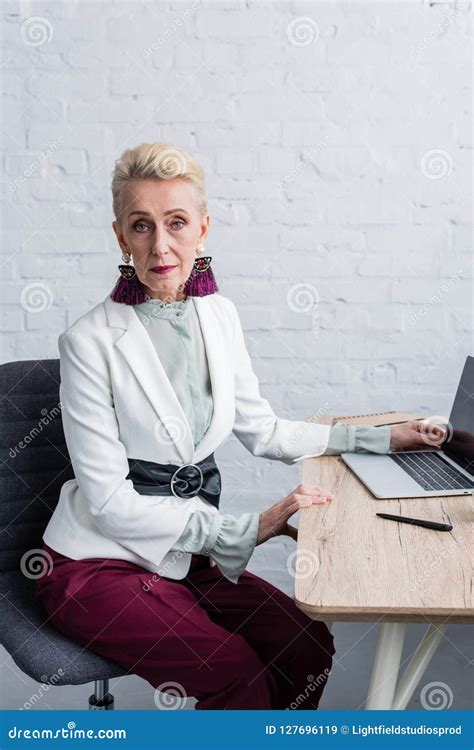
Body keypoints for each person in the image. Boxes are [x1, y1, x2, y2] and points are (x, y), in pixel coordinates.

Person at [35, 142, 446, 710]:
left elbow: (264, 430)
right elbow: (106, 502)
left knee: (304, 646)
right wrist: (245, 530)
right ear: (120, 237)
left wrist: (379, 438)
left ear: (202, 228)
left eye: (176, 223)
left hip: (183, 554)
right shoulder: (88, 342)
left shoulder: (218, 315)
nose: (161, 245)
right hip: (96, 563)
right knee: (234, 675)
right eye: (141, 226)